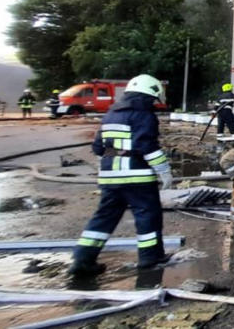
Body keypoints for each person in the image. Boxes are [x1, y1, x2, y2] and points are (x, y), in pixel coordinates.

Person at [68, 74, 172, 276]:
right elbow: (146, 145)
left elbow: (98, 147)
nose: (153, 103)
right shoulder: (144, 114)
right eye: (153, 99)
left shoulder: (111, 114)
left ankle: (83, 258)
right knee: (147, 214)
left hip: (109, 176)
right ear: (149, 95)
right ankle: (150, 257)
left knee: (104, 217)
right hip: (137, 176)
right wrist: (164, 170)